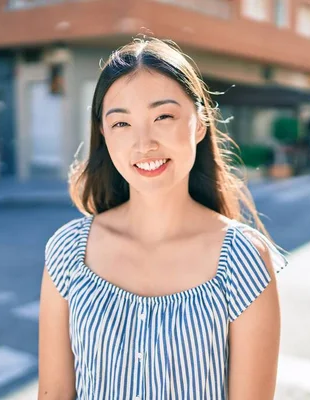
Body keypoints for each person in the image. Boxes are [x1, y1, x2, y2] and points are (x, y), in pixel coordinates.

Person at [38, 37, 288, 400]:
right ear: (104, 135)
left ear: (200, 124)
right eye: (121, 124)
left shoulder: (243, 260)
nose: (143, 144)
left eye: (163, 116)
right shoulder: (68, 252)